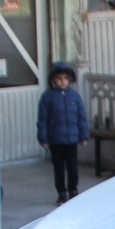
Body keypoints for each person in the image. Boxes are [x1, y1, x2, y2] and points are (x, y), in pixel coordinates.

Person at [37, 62, 89, 205]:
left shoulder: (75, 97)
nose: (62, 81)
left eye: (65, 78)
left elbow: (81, 117)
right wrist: (43, 137)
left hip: (71, 139)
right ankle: (61, 192)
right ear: (53, 80)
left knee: (73, 168)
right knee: (59, 168)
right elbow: (43, 119)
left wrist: (84, 135)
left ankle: (73, 190)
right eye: (59, 78)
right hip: (55, 140)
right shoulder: (47, 97)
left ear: (70, 79)